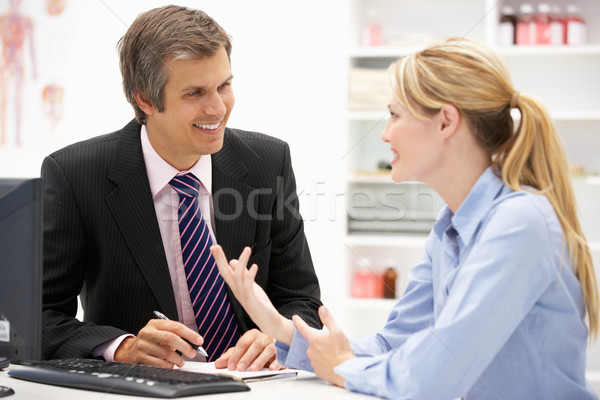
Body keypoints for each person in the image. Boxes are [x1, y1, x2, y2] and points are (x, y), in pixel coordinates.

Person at [211, 37, 600, 399]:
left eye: (395, 115)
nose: (385, 134)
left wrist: (344, 368)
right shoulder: (449, 229)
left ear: (446, 122)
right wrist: (280, 327)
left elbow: (433, 377)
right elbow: (391, 346)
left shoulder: (519, 223)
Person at [41, 5, 322, 371]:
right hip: (137, 391)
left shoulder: (269, 163)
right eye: (195, 93)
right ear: (144, 98)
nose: (218, 107)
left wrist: (277, 336)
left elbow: (303, 301)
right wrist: (120, 347)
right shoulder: (75, 174)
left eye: (224, 86)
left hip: (251, 386)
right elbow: (38, 315)